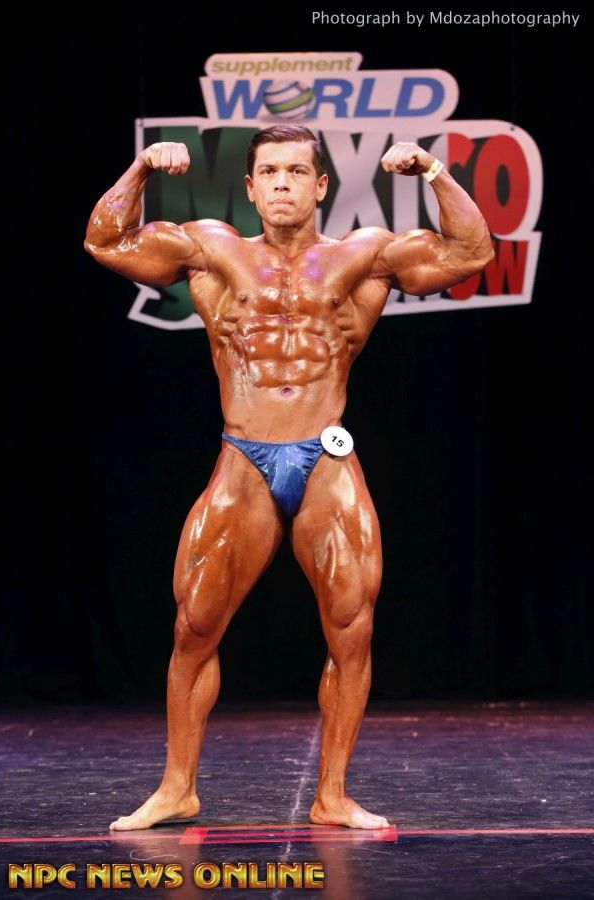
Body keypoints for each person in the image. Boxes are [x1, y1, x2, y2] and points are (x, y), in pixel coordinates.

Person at [84, 124, 493, 831]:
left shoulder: (362, 255)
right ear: (249, 188)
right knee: (194, 626)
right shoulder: (213, 250)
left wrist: (432, 171)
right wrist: (142, 168)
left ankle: (332, 794)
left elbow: (471, 251)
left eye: (296, 171)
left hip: (325, 459)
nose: (282, 183)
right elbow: (106, 241)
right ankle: (177, 788)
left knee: (351, 631)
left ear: (320, 184)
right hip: (243, 456)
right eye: (269, 171)